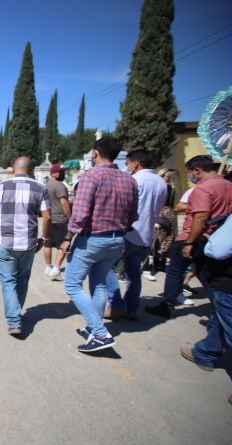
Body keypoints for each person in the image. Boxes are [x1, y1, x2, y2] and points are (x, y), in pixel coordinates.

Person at [60, 136, 138, 353]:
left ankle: (100, 332)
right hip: (117, 239)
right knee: (100, 284)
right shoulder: (129, 180)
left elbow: (80, 213)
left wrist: (68, 238)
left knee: (72, 285)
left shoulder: (91, 177)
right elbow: (133, 214)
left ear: (95, 153)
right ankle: (93, 328)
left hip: (92, 239)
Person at [146, 155, 232, 319]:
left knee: (175, 272)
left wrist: (189, 242)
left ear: (198, 170)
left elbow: (200, 217)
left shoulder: (203, 188)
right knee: (207, 275)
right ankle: (219, 307)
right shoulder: (231, 187)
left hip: (194, 237)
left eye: (191, 173)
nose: (191, 177)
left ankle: (167, 305)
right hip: (217, 238)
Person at [0, 157, 51, 336]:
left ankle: (14, 320)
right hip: (29, 243)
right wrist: (44, 238)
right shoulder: (40, 187)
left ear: (13, 169)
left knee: (8, 281)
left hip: (5, 242)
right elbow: (47, 217)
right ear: (30, 170)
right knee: (22, 280)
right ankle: (16, 312)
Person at [179, 211, 232, 408]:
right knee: (219, 316)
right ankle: (206, 352)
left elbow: (219, 249)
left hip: (230, 280)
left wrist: (209, 241)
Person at [104, 150, 168, 320]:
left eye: (128, 163)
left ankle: (116, 304)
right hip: (146, 236)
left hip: (128, 233)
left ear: (136, 163)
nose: (127, 167)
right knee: (133, 274)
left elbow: (123, 206)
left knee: (106, 267)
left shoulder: (135, 180)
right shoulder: (161, 182)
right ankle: (131, 308)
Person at [43, 163, 71, 281]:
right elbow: (64, 203)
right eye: (60, 172)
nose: (63, 174)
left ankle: (48, 266)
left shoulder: (45, 185)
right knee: (62, 244)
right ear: (53, 173)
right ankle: (56, 268)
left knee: (48, 243)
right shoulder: (60, 186)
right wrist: (71, 218)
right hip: (61, 219)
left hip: (48, 219)